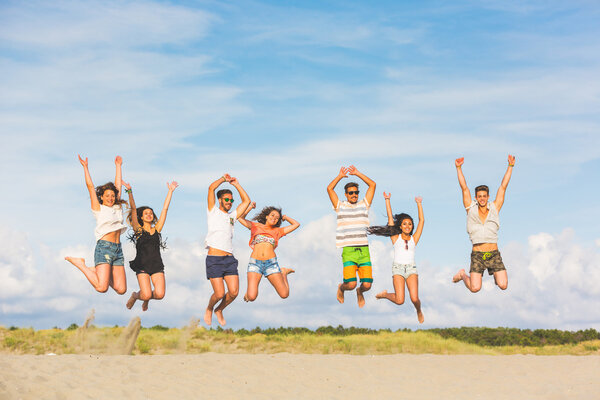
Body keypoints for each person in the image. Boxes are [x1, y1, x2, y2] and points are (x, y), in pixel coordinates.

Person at [65, 155, 128, 294]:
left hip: (118, 250)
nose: (111, 198)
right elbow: (90, 186)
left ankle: (100, 271)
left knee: (121, 289)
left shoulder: (117, 207)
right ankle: (81, 264)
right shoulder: (99, 208)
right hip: (104, 248)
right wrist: (85, 167)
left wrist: (118, 166)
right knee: (101, 287)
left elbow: (117, 186)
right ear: (102, 197)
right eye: (107, 196)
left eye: (112, 196)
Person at [452, 155, 515, 292]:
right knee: (475, 288)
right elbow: (464, 188)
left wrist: (510, 166)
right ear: (476, 197)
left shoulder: (495, 208)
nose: (482, 199)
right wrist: (458, 168)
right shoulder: (470, 208)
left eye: (484, 196)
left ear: (488, 197)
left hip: (493, 253)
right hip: (478, 255)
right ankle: (462, 274)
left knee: (504, 285)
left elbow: (503, 187)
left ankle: (496, 277)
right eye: (479, 196)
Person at [368, 192, 425, 323]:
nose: (407, 226)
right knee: (400, 300)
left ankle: (418, 310)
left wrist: (419, 204)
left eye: (410, 224)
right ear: (400, 226)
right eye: (404, 224)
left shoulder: (414, 239)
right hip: (398, 269)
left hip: (411, 269)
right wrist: (387, 200)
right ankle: (385, 295)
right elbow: (390, 218)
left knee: (415, 298)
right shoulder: (396, 237)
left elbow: (422, 221)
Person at [203, 174, 251, 326]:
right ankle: (210, 308)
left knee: (234, 292)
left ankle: (219, 310)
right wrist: (224, 179)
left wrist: (236, 184)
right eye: (227, 200)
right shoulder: (213, 211)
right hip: (214, 259)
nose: (229, 202)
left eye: (231, 200)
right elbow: (211, 188)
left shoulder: (232, 217)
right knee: (219, 293)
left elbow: (246, 201)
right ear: (220, 200)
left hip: (229, 259)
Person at [124, 180, 178, 311]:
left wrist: (170, 191)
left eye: (151, 213)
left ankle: (146, 298)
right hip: (142, 265)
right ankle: (136, 296)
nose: (149, 215)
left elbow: (165, 210)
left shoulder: (157, 229)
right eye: (146, 213)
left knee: (160, 295)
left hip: (156, 265)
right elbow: (133, 209)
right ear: (141, 217)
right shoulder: (138, 230)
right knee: (146, 293)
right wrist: (130, 192)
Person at [326, 165, 376, 308]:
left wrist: (357, 173)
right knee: (351, 284)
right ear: (346, 194)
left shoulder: (364, 205)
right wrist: (340, 176)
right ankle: (341, 288)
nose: (354, 195)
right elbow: (329, 189)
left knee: (367, 284)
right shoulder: (340, 206)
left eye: (356, 192)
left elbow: (373, 185)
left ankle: (360, 292)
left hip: (364, 250)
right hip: (348, 250)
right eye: (351, 193)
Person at [237, 203, 300, 302]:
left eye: (277, 218)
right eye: (272, 215)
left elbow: (296, 224)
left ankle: (283, 273)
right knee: (252, 297)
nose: (274, 218)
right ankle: (249, 292)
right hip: (255, 263)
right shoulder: (255, 226)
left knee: (284, 294)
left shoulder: (278, 231)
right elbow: (240, 218)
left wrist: (285, 217)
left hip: (271, 264)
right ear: (266, 216)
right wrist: (249, 208)